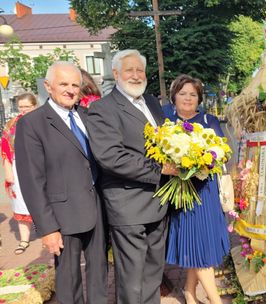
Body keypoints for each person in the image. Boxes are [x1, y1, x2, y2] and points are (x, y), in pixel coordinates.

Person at [86, 49, 176, 304]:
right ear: (116, 74)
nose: (136, 75)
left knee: (153, 273)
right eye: (129, 70)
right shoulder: (102, 109)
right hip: (129, 207)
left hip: (159, 202)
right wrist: (161, 169)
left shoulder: (152, 102)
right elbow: (111, 157)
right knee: (131, 280)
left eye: (140, 70)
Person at [15, 61, 108, 303]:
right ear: (48, 86)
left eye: (75, 85)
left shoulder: (86, 117)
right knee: (68, 281)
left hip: (96, 209)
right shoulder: (32, 123)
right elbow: (31, 181)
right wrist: (48, 228)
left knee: (99, 273)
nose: (70, 90)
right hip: (63, 215)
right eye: (63, 84)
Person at [165, 75, 230, 304]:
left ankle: (189, 291)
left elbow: (222, 152)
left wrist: (207, 159)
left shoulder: (209, 120)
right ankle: (215, 300)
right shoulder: (165, 120)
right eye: (183, 93)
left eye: (193, 94)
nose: (187, 98)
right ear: (174, 96)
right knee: (198, 247)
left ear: (199, 98)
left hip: (206, 191)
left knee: (202, 245)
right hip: (182, 193)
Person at [1, 93, 37, 255]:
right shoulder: (11, 124)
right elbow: (5, 149)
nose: (23, 110)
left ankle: (49, 235)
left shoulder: (42, 122)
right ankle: (24, 239)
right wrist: (8, 171)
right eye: (21, 107)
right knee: (20, 203)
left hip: (39, 167)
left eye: (26, 107)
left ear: (34, 106)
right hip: (18, 167)